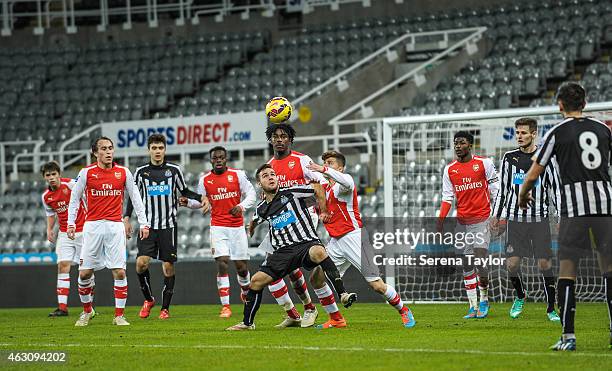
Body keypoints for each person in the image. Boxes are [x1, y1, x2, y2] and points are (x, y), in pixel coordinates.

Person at [518, 82, 612, 351]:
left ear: (559, 105)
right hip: (606, 209)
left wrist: (524, 195)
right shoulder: (603, 129)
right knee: (610, 270)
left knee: (568, 272)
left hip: (575, 211)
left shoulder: (557, 133)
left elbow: (534, 173)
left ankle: (568, 337)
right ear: (585, 103)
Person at [226, 164, 356, 331]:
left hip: (305, 244)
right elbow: (257, 217)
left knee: (319, 251)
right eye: (265, 175)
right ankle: (247, 323)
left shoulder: (292, 192)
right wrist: (251, 226)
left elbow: (318, 188)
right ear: (259, 184)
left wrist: (322, 208)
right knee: (256, 281)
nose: (271, 177)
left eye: (273, 174)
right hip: (282, 253)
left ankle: (343, 294)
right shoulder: (262, 208)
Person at [306, 151, 416, 329]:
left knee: (376, 285)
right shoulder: (323, 190)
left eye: (331, 162)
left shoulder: (344, 183)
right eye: (325, 162)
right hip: (335, 241)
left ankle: (403, 310)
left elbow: (346, 181)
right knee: (316, 278)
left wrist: (322, 169)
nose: (327, 164)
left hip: (354, 237)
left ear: (340, 168)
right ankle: (336, 318)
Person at [68, 136, 150, 327]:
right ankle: (87, 311)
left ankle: (119, 316)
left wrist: (144, 224)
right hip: (92, 227)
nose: (108, 152)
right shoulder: (86, 173)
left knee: (120, 272)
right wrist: (71, 223)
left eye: (110, 148)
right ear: (95, 153)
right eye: (103, 149)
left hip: (115, 227)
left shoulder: (123, 172)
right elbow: (74, 199)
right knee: (85, 274)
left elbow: (136, 199)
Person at [123, 134, 201, 320]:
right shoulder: (141, 172)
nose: (157, 151)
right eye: (154, 148)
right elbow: (134, 197)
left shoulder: (174, 170)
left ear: (165, 150)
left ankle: (165, 309)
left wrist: (200, 197)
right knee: (141, 264)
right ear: (149, 150)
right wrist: (126, 217)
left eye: (160, 148)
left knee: (168, 268)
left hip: (168, 226)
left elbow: (185, 191)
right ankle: (149, 299)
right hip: (148, 226)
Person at [261, 123, 331, 328]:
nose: (280, 140)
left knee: (292, 264)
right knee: (280, 269)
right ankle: (296, 312)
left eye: (284, 136)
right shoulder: (269, 165)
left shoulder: (302, 160)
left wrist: (319, 209)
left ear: (290, 139)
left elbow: (321, 184)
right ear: (271, 140)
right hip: (281, 220)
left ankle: (322, 312)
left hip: (304, 218)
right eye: (276, 136)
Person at [491, 118, 560, 322]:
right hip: (515, 220)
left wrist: (560, 216)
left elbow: (555, 189)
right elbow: (503, 191)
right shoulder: (508, 158)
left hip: (539, 220)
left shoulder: (546, 158)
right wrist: (496, 215)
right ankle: (520, 295)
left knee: (544, 264)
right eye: (517, 133)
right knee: (511, 264)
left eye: (523, 133)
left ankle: (550, 308)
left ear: (534, 134)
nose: (519, 136)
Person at [183, 146, 256, 318]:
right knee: (222, 262)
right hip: (218, 227)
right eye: (215, 158)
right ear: (211, 160)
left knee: (242, 268)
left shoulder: (237, 175)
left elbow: (251, 193)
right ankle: (226, 306)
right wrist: (187, 202)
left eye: (221, 157)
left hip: (237, 227)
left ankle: (246, 292)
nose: (218, 160)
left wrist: (241, 206)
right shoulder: (205, 180)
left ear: (226, 159)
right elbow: (201, 202)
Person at [438, 131, 499, 319]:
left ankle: (484, 299)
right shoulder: (450, 170)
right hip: (462, 222)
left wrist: (497, 216)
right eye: (455, 143)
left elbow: (496, 191)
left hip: (482, 219)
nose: (457, 146)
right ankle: (472, 305)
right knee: (466, 264)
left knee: (480, 260)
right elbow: (447, 198)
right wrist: (440, 220)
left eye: (461, 142)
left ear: (470, 145)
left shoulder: (484, 164)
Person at [41, 161, 91, 317]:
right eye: (48, 175)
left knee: (87, 271)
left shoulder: (70, 184)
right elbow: (51, 214)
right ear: (44, 177)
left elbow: (86, 196)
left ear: (59, 174)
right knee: (63, 266)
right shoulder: (46, 197)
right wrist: (49, 230)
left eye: (54, 174)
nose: (51, 178)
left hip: (83, 231)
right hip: (64, 234)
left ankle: (89, 307)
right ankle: (62, 308)